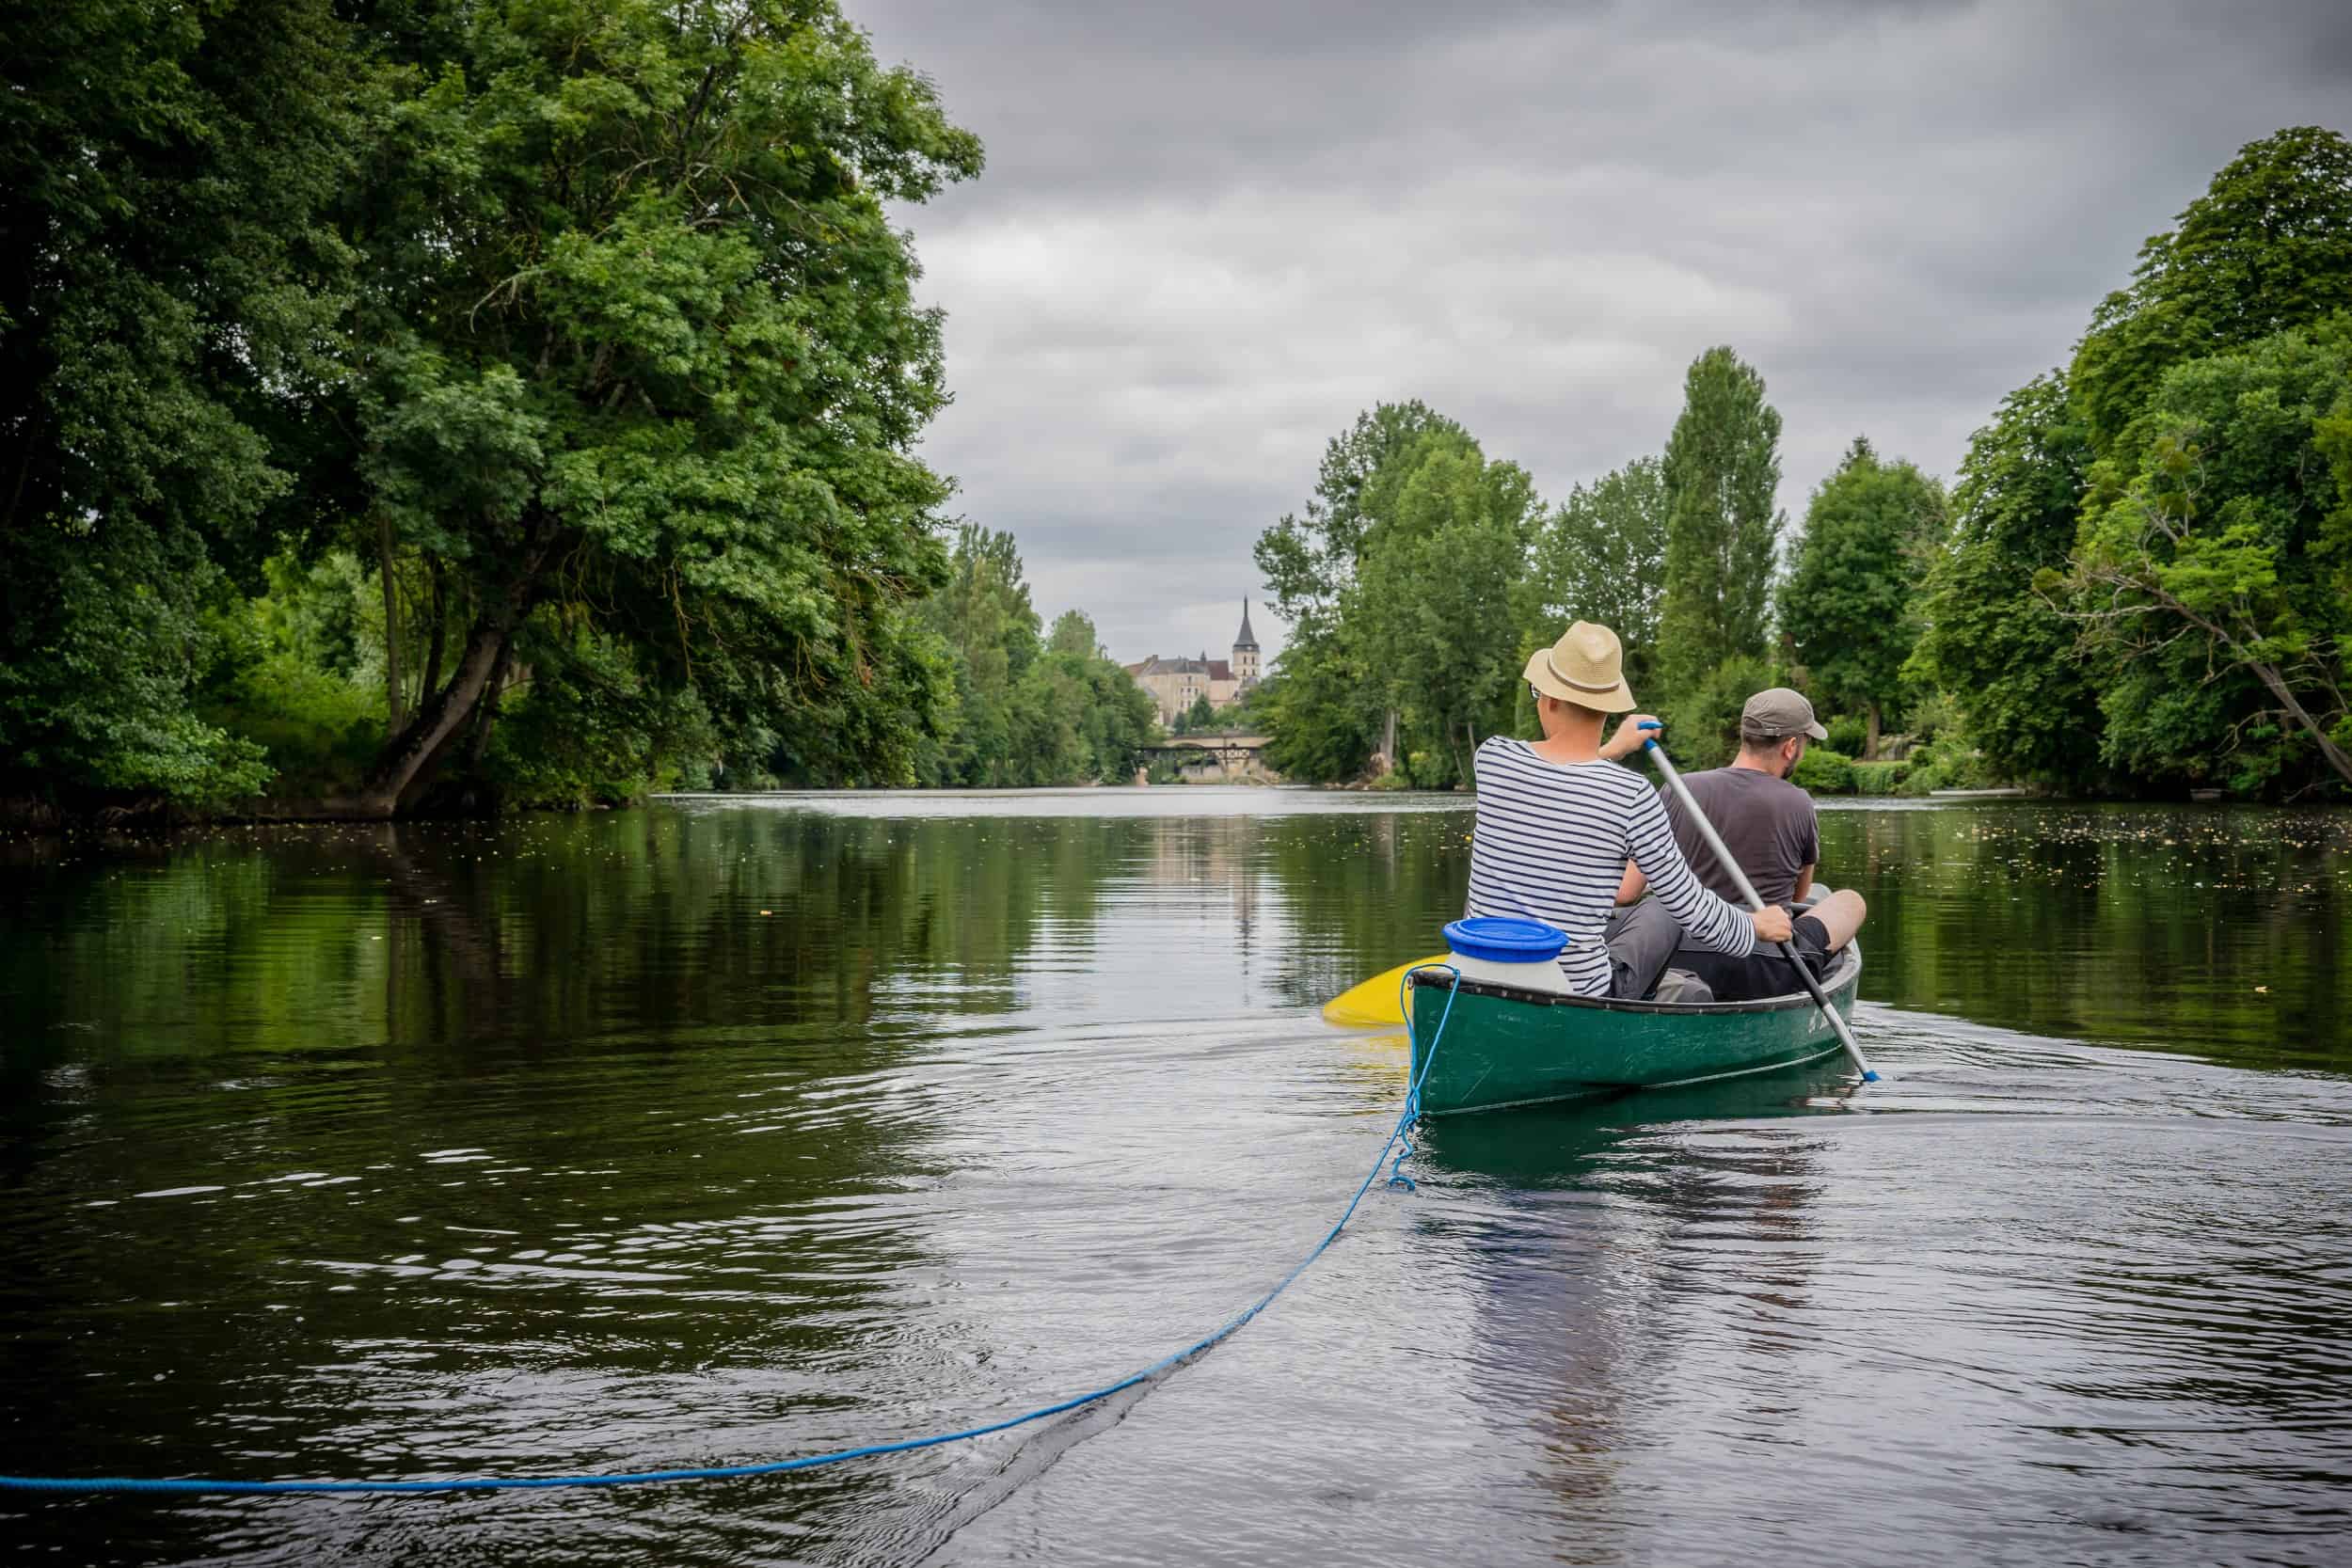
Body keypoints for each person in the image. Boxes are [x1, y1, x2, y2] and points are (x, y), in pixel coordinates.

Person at [1464, 622, 1792, 1000]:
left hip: (1480, 975)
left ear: (1549, 700)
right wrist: (1755, 927)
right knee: (1662, 911)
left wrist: (1611, 749)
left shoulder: (1492, 758)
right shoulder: (1632, 794)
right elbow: (1690, 906)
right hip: (1578, 991)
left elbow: (1561, 773)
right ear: (1609, 707)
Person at [1613, 687, 1867, 1000]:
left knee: (1648, 909)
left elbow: (1626, 892)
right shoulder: (1799, 803)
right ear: (1790, 747)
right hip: (1762, 961)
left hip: (1671, 953)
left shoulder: (1678, 788)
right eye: (1805, 742)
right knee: (1850, 901)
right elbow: (1797, 898)